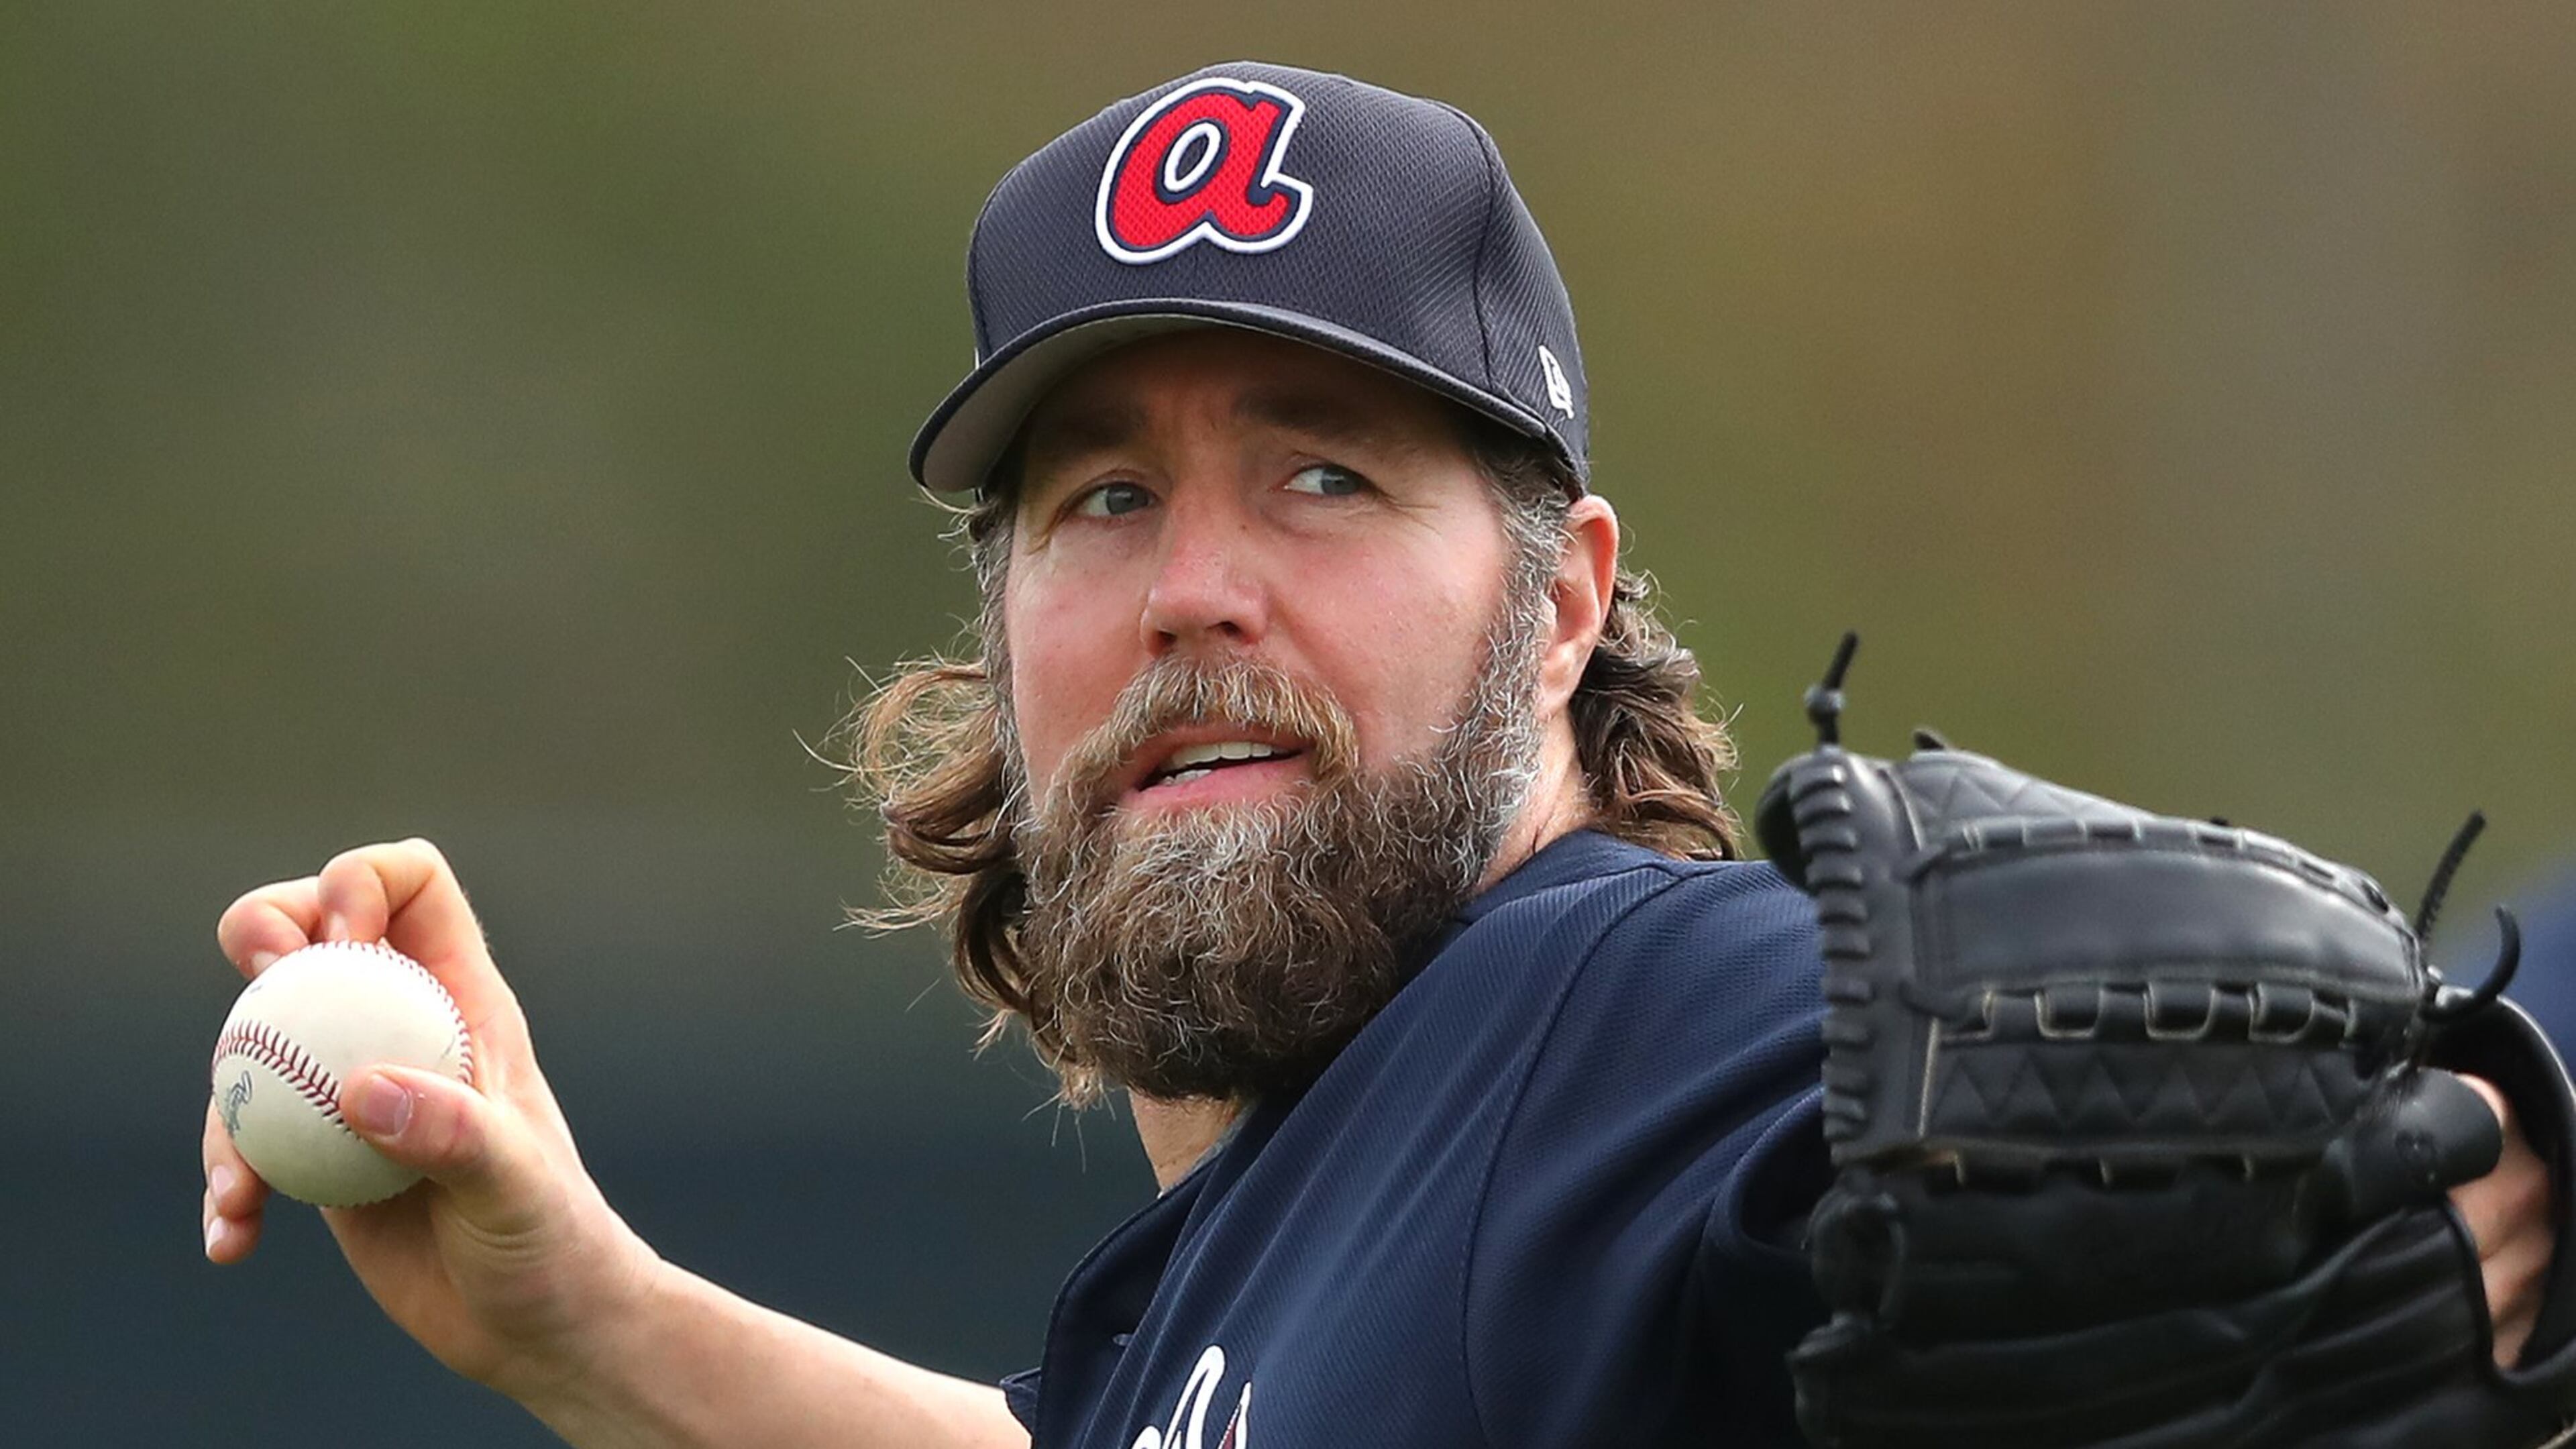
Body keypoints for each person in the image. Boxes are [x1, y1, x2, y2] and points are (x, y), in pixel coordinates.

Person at [198, 61, 2558, 1448]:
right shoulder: (1280, 1257)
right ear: (1003, 631)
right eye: (1102, 498)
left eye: (1322, 475)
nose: (1195, 584)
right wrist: (591, 1317)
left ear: (1561, 605)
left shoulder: (1617, 1021)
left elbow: (2340, 1171)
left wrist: (2508, 1150)